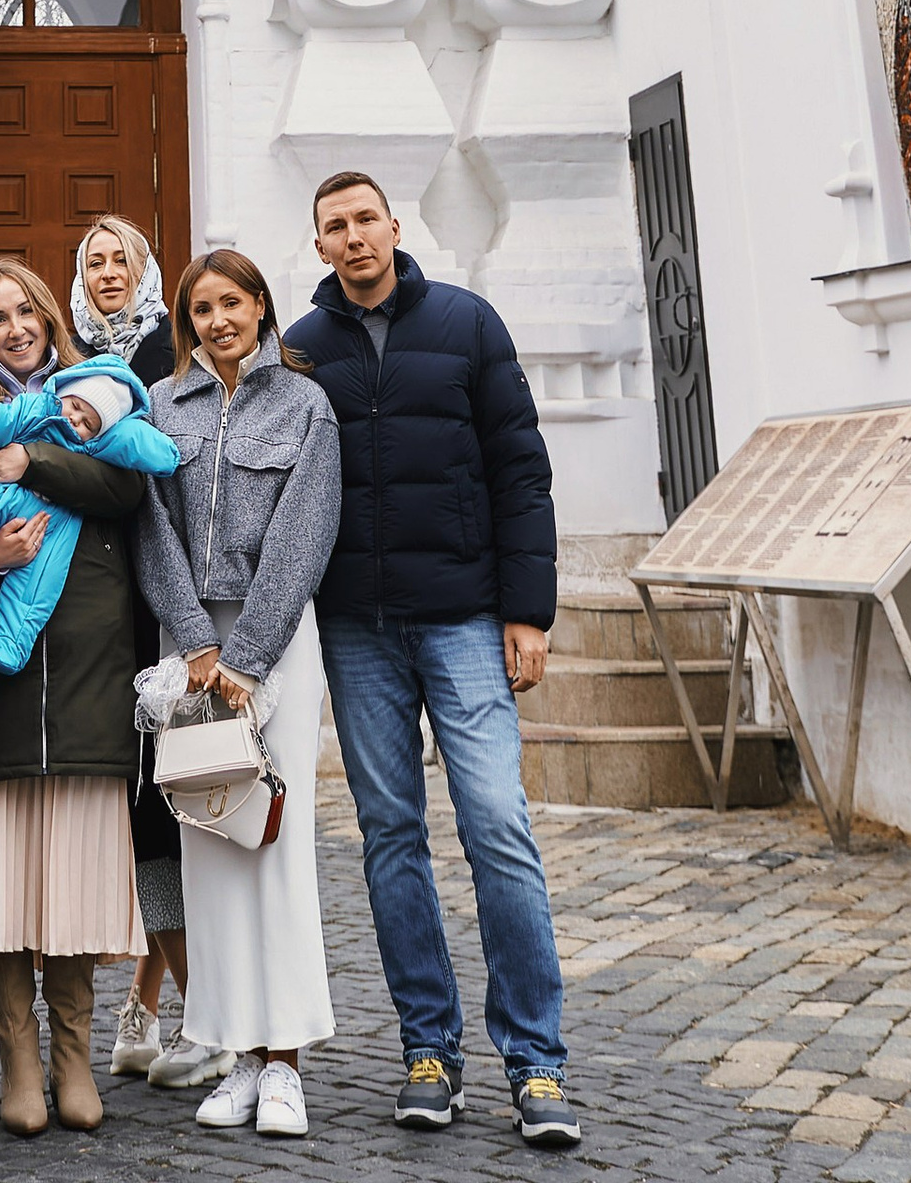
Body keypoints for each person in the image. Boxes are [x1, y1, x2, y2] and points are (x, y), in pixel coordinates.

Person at [286, 171, 579, 1151]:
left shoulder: (465, 322)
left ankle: (535, 1063)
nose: (354, 235)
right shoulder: (303, 349)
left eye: (365, 217)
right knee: (389, 837)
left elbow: (518, 464)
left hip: (462, 617)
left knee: (497, 825)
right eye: (335, 225)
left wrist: (527, 610)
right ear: (320, 243)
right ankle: (427, 1050)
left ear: (393, 226)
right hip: (357, 628)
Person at [0, 257, 148, 1139]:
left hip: (89, 667)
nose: (15, 328)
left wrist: (37, 459)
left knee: (78, 882)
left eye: (27, 312)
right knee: (7, 885)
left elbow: (124, 485)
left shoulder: (95, 395)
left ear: (51, 316)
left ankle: (75, 1053)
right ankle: (18, 1054)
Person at [133, 249, 342, 1142]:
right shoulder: (160, 407)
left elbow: (307, 528)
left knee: (274, 840)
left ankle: (285, 1059)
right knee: (211, 840)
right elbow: (151, 526)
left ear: (261, 305)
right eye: (201, 307)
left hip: (277, 643)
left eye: (232, 302)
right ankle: (231, 1049)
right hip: (190, 642)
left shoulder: (305, 404)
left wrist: (248, 654)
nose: (218, 319)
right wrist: (196, 642)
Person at [67, 221, 190, 1086]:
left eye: (122, 260)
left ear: (145, 272)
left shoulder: (172, 349)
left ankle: (186, 1003)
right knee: (121, 810)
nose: (108, 273)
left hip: (159, 609)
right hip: (87, 615)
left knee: (161, 813)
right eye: (94, 262)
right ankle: (147, 1006)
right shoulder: (63, 352)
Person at [0, 357, 178, 665]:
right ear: (64, 393)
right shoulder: (38, 409)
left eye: (88, 424)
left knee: (39, 586)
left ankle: (10, 648)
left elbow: (136, 446)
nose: (76, 421)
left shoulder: (97, 445)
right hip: (4, 496)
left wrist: (167, 454)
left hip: (55, 523)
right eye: (75, 407)